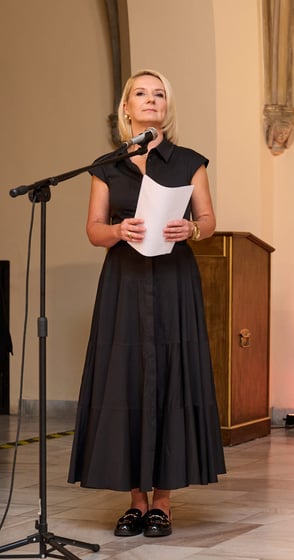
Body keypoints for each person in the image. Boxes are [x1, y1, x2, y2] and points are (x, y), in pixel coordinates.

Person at [68, 69, 226, 538]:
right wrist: (118, 231)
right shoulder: (106, 166)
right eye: (141, 93)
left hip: (174, 280)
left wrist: (191, 228)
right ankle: (135, 503)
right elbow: (94, 229)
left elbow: (209, 220)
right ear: (126, 107)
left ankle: (162, 503)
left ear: (166, 107)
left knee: (171, 376)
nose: (151, 100)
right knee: (127, 379)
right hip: (125, 282)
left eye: (159, 94)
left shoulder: (189, 162)